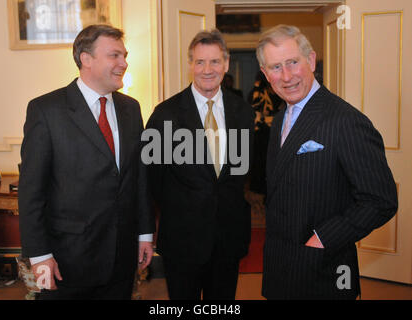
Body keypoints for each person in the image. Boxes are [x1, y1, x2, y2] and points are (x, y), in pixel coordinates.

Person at [256, 25, 398, 299]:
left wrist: (322, 239)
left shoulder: (346, 121)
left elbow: (380, 200)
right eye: (275, 68)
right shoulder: (279, 120)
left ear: (310, 61)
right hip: (280, 266)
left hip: (326, 270)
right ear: (265, 74)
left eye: (293, 63)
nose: (286, 77)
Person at [18, 24, 155, 300]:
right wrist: (40, 257)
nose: (124, 63)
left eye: (124, 55)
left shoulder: (131, 108)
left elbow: (139, 179)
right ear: (86, 59)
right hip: (66, 262)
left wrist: (144, 234)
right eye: (114, 55)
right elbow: (31, 192)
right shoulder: (46, 110)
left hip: (121, 257)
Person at [145, 29, 254, 300]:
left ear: (226, 64)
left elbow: (242, 173)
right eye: (200, 62)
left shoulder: (243, 111)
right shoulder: (165, 114)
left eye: (215, 61)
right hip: (182, 241)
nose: (208, 69)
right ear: (190, 65)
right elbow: (151, 181)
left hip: (229, 239)